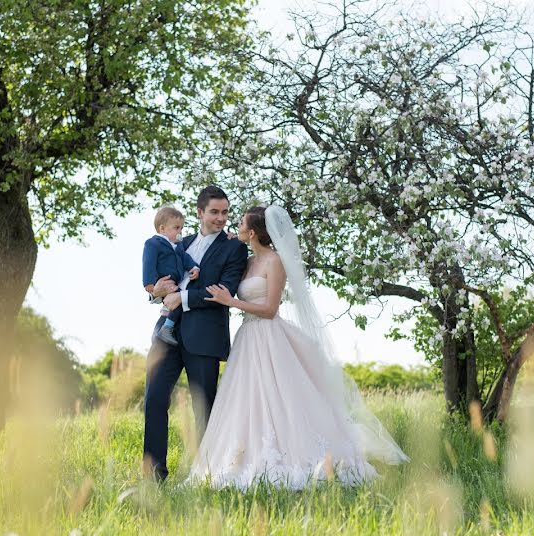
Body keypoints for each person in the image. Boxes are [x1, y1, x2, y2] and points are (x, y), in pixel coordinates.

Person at [186, 205, 408, 489]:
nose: (235, 226)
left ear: (252, 232)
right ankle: (242, 456)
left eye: (240, 223)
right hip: (248, 340)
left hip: (268, 336)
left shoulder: (275, 261)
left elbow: (270, 309)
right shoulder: (249, 261)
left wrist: (232, 302)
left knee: (280, 400)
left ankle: (298, 458)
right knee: (247, 401)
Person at [142, 185, 249, 482]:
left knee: (204, 409)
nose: (221, 218)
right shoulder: (178, 242)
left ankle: (207, 476)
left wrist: (184, 299)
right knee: (153, 400)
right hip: (166, 335)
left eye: (225, 212)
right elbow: (159, 282)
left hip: (204, 336)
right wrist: (158, 293)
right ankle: (153, 476)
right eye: (214, 212)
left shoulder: (234, 247)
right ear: (200, 212)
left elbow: (225, 290)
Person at [142, 206, 201, 346]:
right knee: (180, 298)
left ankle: (167, 319)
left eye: (181, 228)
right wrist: (149, 284)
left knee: (179, 299)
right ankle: (167, 326)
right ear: (162, 229)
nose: (180, 232)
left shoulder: (177, 246)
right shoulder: (153, 243)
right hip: (163, 281)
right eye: (176, 228)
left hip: (174, 282)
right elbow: (148, 262)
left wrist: (194, 267)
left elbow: (185, 257)